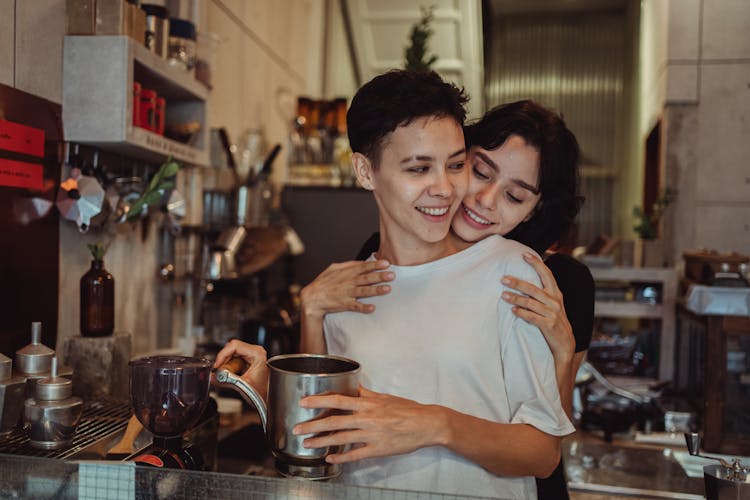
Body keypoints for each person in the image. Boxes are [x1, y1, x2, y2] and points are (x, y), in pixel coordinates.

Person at [216, 71, 573, 499]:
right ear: (366, 171)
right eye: (419, 168)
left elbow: (541, 452)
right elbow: (321, 443)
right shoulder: (344, 291)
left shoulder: (512, 273)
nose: (444, 188)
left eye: (457, 165)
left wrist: (436, 424)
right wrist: (270, 383)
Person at [294, 100, 594, 499]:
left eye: (515, 196)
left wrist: (563, 353)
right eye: (478, 171)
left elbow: (545, 446)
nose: (485, 199)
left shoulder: (539, 279)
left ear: (534, 210)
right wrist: (311, 313)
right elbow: (326, 416)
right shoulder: (379, 259)